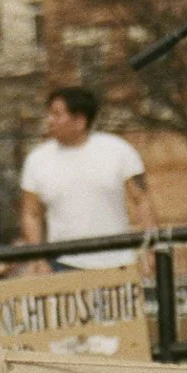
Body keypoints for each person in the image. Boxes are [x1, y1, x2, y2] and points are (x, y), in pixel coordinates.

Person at [19, 87, 151, 270]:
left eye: (57, 114)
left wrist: (150, 249)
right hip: (64, 264)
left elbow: (141, 200)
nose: (49, 120)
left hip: (118, 262)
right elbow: (31, 213)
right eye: (49, 114)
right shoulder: (37, 160)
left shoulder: (118, 150)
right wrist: (37, 258)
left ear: (80, 121)